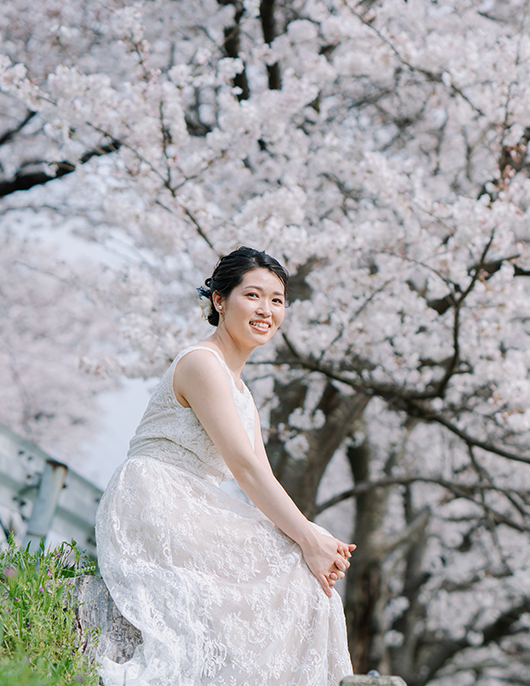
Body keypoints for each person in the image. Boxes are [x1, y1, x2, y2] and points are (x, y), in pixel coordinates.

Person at [95, 247, 354, 686]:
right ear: (219, 300)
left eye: (277, 300)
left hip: (194, 502)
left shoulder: (242, 392)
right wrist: (307, 538)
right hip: (155, 496)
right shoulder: (201, 363)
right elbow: (245, 470)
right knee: (297, 557)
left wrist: (315, 537)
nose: (266, 310)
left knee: (308, 562)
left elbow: (262, 475)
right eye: (253, 295)